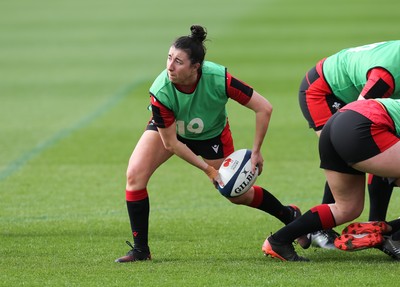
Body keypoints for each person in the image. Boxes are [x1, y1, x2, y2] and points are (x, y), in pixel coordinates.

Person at [115, 25, 307, 263]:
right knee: (134, 176)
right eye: (169, 58)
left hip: (212, 135)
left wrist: (256, 152)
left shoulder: (218, 78)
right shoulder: (161, 91)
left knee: (236, 195)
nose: (170, 66)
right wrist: (208, 170)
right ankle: (141, 250)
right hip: (171, 131)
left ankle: (290, 216)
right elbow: (171, 143)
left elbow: (263, 107)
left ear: (196, 67)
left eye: (178, 61)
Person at [262, 98, 400, 261]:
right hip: (362, 125)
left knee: (347, 208)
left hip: (337, 123)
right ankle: (395, 238)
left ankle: (278, 241)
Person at [298, 41, 400, 249]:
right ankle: (318, 228)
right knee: (349, 155)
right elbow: (362, 116)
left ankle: (374, 227)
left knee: (379, 148)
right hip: (322, 91)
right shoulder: (384, 77)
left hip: (350, 91)